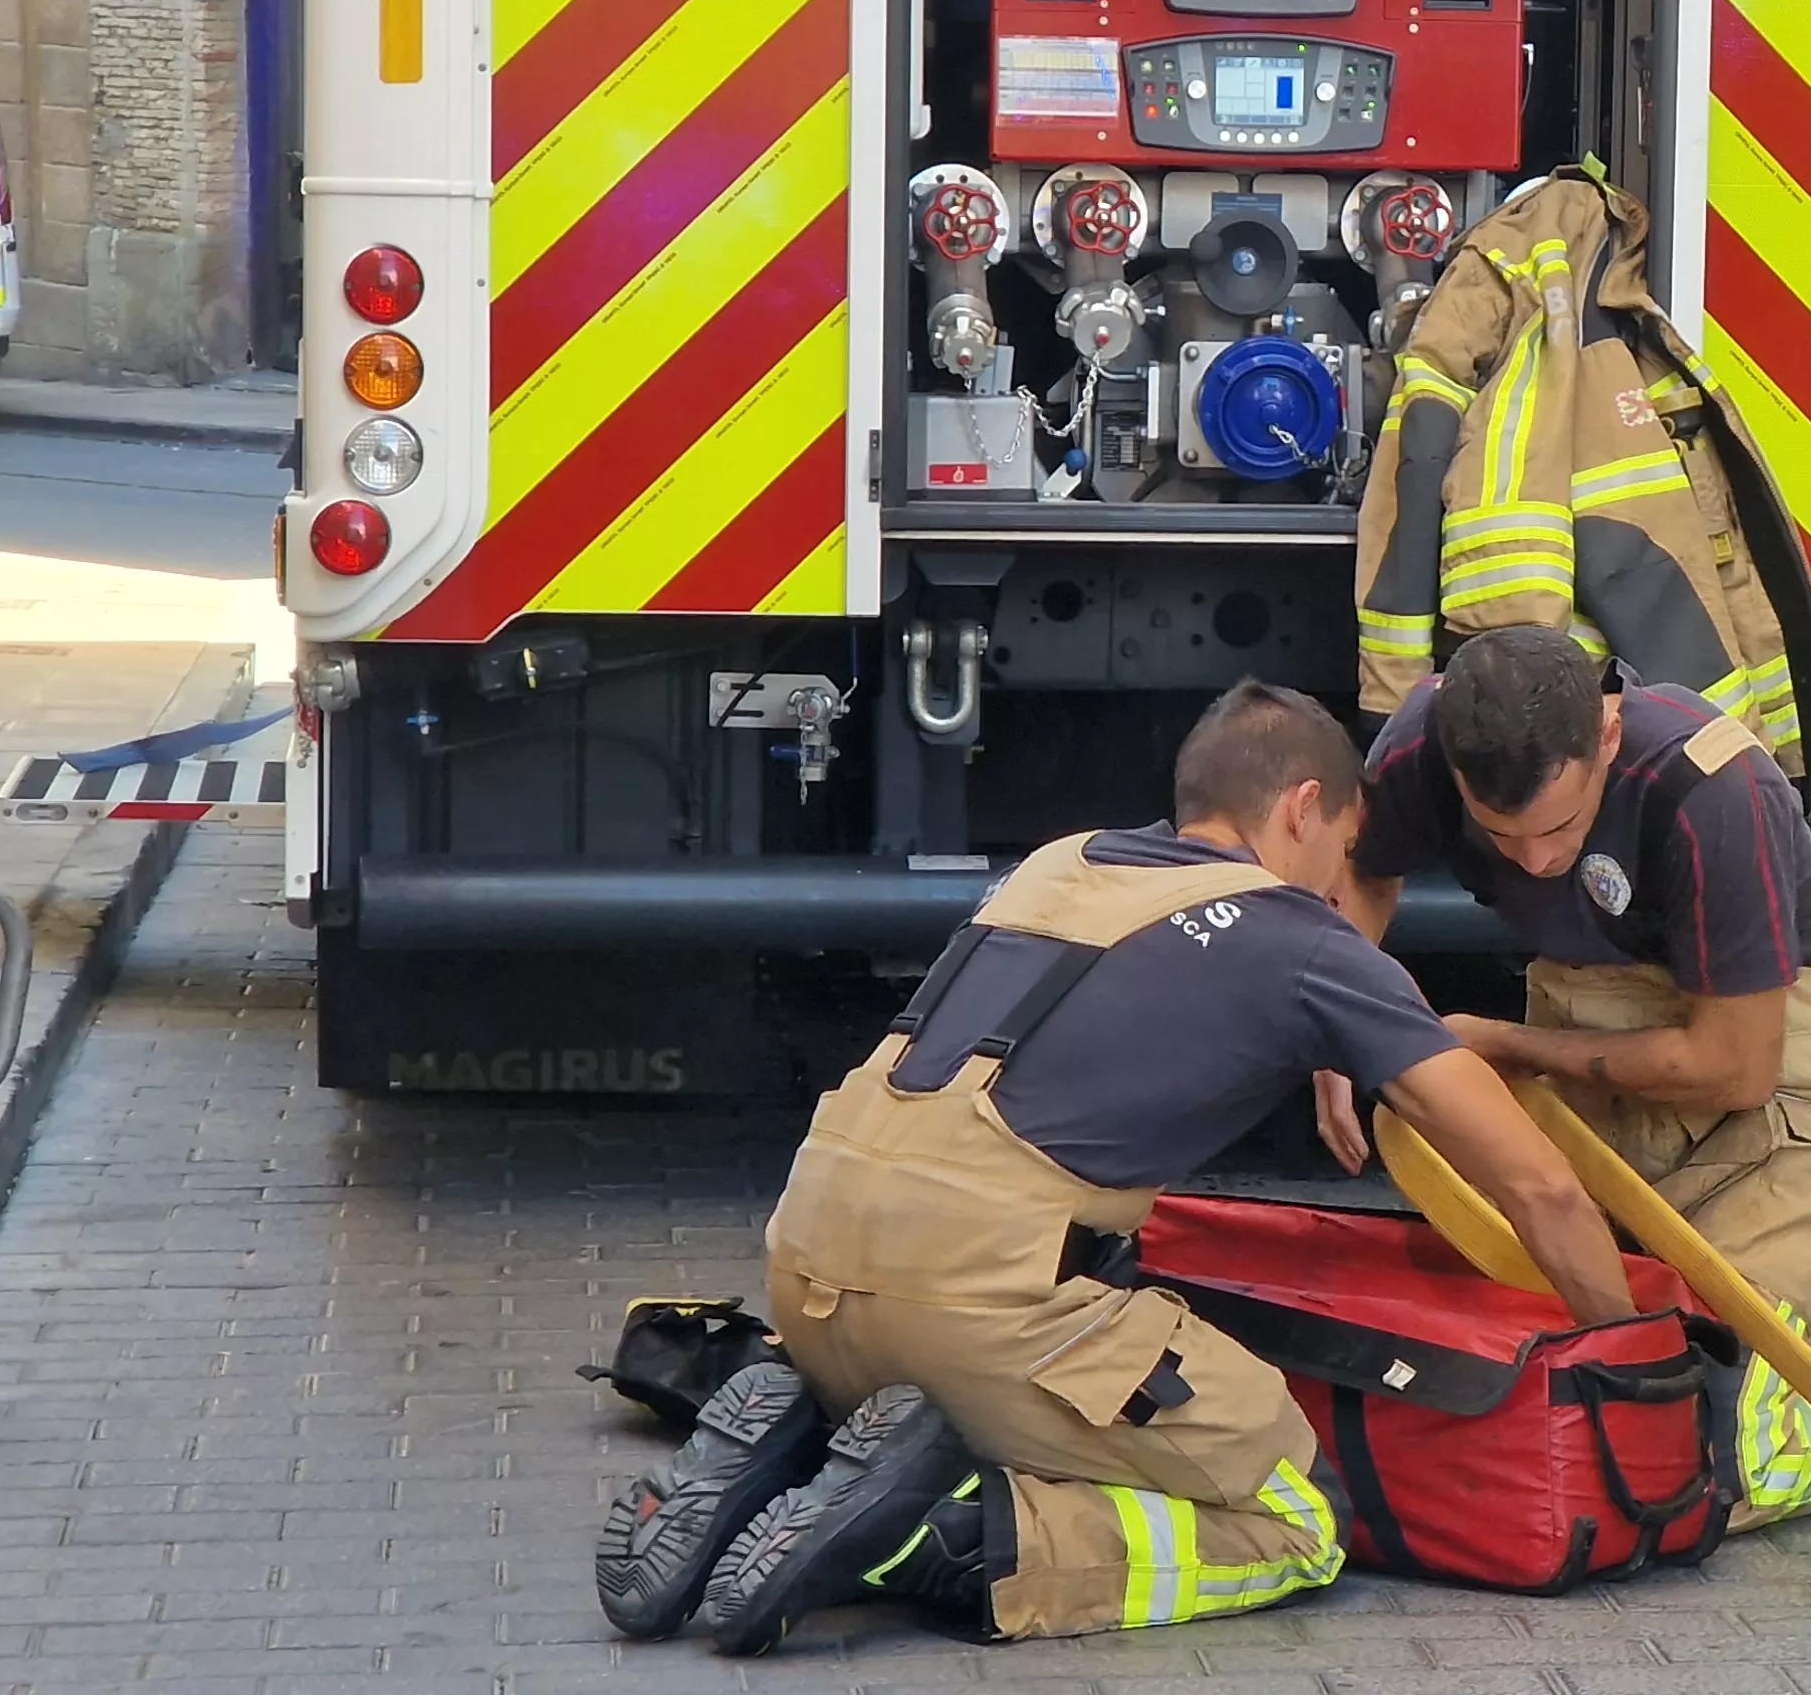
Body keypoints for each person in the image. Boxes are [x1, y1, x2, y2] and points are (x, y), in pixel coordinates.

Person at [593, 681, 1640, 1654]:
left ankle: (797, 1422)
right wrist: (1624, 1347)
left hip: (805, 1271)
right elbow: (1535, 1183)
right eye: (1348, 845)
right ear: (1304, 808)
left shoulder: (1060, 861)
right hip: (977, 1307)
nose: (1344, 882)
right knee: (1294, 1520)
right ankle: (949, 1532)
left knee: (1005, 1374)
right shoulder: (1308, 942)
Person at [1336, 623, 1811, 1527]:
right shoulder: (1435, 738)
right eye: (1499, 835)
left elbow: (1731, 1068)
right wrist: (1347, 1025)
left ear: (1610, 730)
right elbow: (1363, 870)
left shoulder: (1715, 789)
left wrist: (1501, 1046)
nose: (1537, 861)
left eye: (1558, 827)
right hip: (1594, 1064)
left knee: (1698, 1457)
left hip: (1764, 1076)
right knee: (1561, 1400)